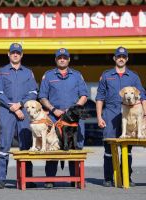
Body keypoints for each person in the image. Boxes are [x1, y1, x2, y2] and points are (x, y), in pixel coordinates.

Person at [96, 46, 146, 187]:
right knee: (108, 148)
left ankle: (126, 177)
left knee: (127, 149)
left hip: (130, 114)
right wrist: (99, 117)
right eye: (119, 56)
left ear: (127, 59)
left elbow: (142, 96)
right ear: (114, 58)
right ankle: (108, 178)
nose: (121, 59)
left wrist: (145, 114)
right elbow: (100, 98)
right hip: (110, 114)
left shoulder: (134, 76)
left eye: (123, 57)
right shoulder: (106, 75)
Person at [39, 48, 88, 188]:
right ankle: (50, 179)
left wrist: (72, 110)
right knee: (53, 148)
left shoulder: (77, 75)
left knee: (75, 147)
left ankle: (75, 179)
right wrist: (54, 109)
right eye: (59, 57)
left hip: (73, 119)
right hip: (55, 118)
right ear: (56, 60)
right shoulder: (48, 76)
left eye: (65, 57)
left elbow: (84, 96)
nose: (62, 59)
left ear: (69, 59)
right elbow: (42, 97)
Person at [0, 43, 38, 189]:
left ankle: (28, 179)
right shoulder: (2, 71)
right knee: (4, 145)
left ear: (21, 55)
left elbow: (33, 92)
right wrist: (12, 106)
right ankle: (1, 178)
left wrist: (20, 104)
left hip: (24, 112)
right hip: (6, 112)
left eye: (18, 53)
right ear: (8, 54)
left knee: (25, 146)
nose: (15, 55)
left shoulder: (28, 72)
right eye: (13, 52)